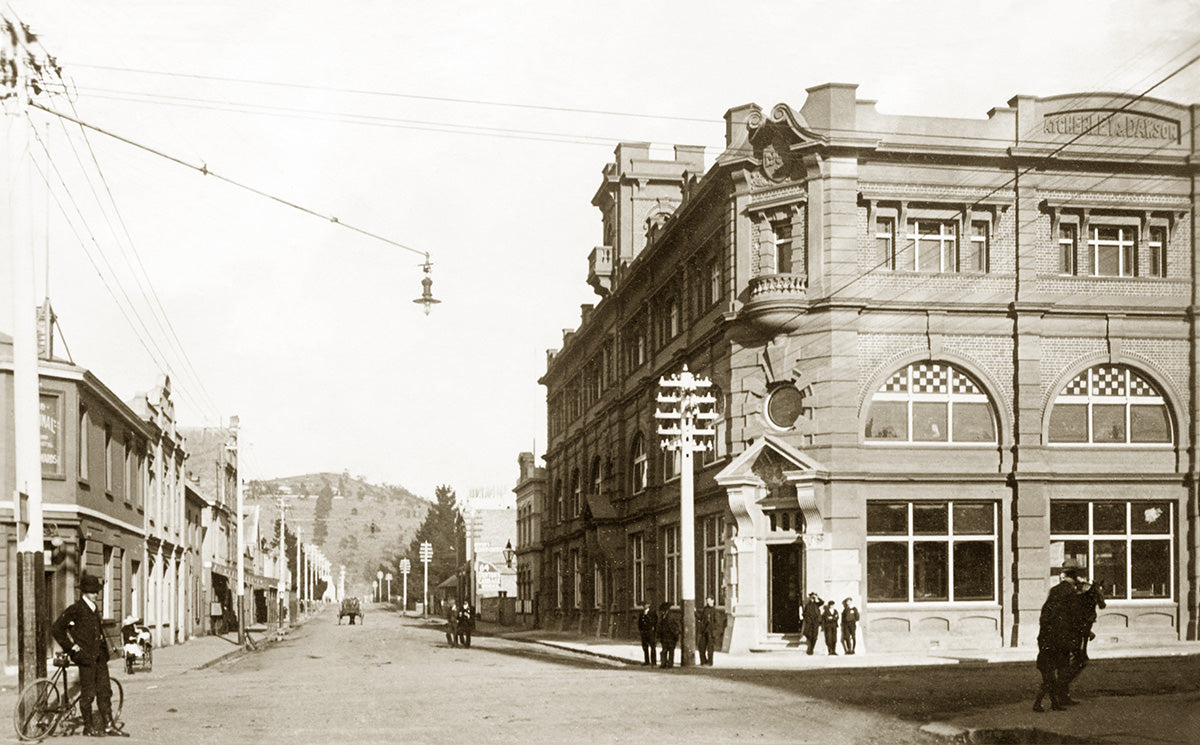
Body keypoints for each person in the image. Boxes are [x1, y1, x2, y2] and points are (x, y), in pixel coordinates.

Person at [52, 574, 129, 738]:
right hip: (85, 657)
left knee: (105, 690)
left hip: (100, 656)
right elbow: (57, 629)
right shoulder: (76, 609)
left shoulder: (94, 609)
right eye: (92, 591)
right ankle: (88, 727)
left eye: (96, 591)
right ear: (85, 592)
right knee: (88, 694)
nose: (96, 594)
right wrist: (72, 648)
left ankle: (108, 725)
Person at [1034, 567, 1081, 712]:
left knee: (1049, 679)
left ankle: (1055, 703)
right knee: (1058, 673)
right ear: (1074, 578)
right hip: (1059, 641)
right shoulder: (1071, 594)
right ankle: (1053, 701)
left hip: (1047, 641)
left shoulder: (1053, 593)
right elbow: (1075, 616)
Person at [696, 597, 721, 666]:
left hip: (711, 632)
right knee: (701, 646)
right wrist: (695, 612)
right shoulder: (705, 609)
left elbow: (717, 623)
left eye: (709, 601)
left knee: (710, 648)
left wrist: (714, 632)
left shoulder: (715, 611)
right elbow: (701, 618)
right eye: (707, 601)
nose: (708, 602)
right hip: (704, 631)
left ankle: (710, 662)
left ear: (713, 601)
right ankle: (703, 661)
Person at [657, 602, 680, 668]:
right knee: (664, 650)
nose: (661, 612)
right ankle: (663, 663)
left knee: (670, 650)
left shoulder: (671, 617)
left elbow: (675, 627)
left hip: (671, 637)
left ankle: (670, 664)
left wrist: (675, 635)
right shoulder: (663, 617)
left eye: (662, 610)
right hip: (664, 637)